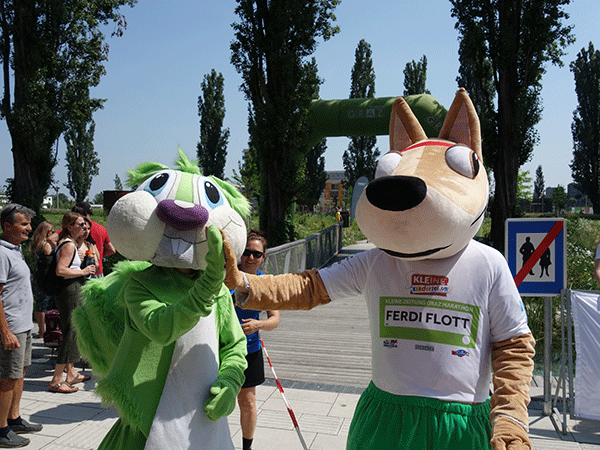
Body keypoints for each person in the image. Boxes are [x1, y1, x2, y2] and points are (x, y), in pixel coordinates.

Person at [0, 204, 43, 447]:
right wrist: (5, 331)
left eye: (29, 224)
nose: (29, 228)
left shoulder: (15, 250)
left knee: (20, 373)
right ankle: (1, 429)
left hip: (24, 326)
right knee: (7, 377)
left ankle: (13, 418)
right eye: (23, 224)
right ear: (7, 226)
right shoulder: (1, 253)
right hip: (11, 327)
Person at [233, 231, 280, 450]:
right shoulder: (226, 277)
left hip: (249, 349)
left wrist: (258, 325)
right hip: (220, 348)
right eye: (246, 252)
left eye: (256, 254)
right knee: (212, 400)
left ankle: (246, 447)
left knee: (248, 401)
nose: (250, 257)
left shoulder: (265, 283)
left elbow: (275, 319)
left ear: (263, 258)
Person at [48, 212, 95, 393]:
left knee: (72, 329)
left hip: (70, 289)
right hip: (70, 289)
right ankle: (57, 379)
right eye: (81, 224)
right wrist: (83, 272)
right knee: (71, 330)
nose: (85, 227)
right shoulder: (68, 244)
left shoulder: (69, 244)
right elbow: (61, 270)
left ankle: (71, 373)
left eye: (85, 224)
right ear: (69, 226)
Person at [71, 202, 115, 276]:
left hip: (80, 272)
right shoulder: (101, 228)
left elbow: (51, 239)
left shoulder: (75, 228)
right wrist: (100, 256)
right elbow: (112, 250)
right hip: (98, 271)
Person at [29, 221, 56, 338]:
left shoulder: (35, 244)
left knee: (39, 304)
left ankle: (41, 330)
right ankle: (45, 330)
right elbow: (49, 261)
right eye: (52, 231)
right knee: (45, 303)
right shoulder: (46, 245)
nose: (54, 233)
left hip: (36, 275)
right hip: (45, 277)